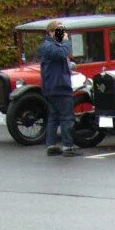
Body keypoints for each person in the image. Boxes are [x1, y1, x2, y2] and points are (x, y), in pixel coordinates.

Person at [39, 19, 79, 156]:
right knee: (66, 117)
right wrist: (67, 41)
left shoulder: (51, 46)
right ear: (50, 32)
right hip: (59, 86)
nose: (62, 33)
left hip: (52, 86)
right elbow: (62, 53)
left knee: (54, 117)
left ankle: (51, 145)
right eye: (59, 30)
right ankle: (68, 147)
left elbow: (57, 63)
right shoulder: (49, 46)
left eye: (63, 30)